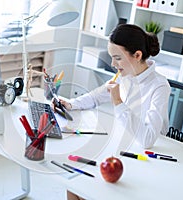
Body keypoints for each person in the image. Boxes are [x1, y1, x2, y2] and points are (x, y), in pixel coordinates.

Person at [54, 23, 170, 200]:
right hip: (121, 146)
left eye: (117, 58)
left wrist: (117, 101)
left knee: (85, 188)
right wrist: (71, 104)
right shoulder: (126, 75)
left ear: (137, 55)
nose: (112, 64)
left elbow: (147, 139)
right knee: (73, 184)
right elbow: (95, 97)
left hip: (146, 158)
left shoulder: (159, 86)